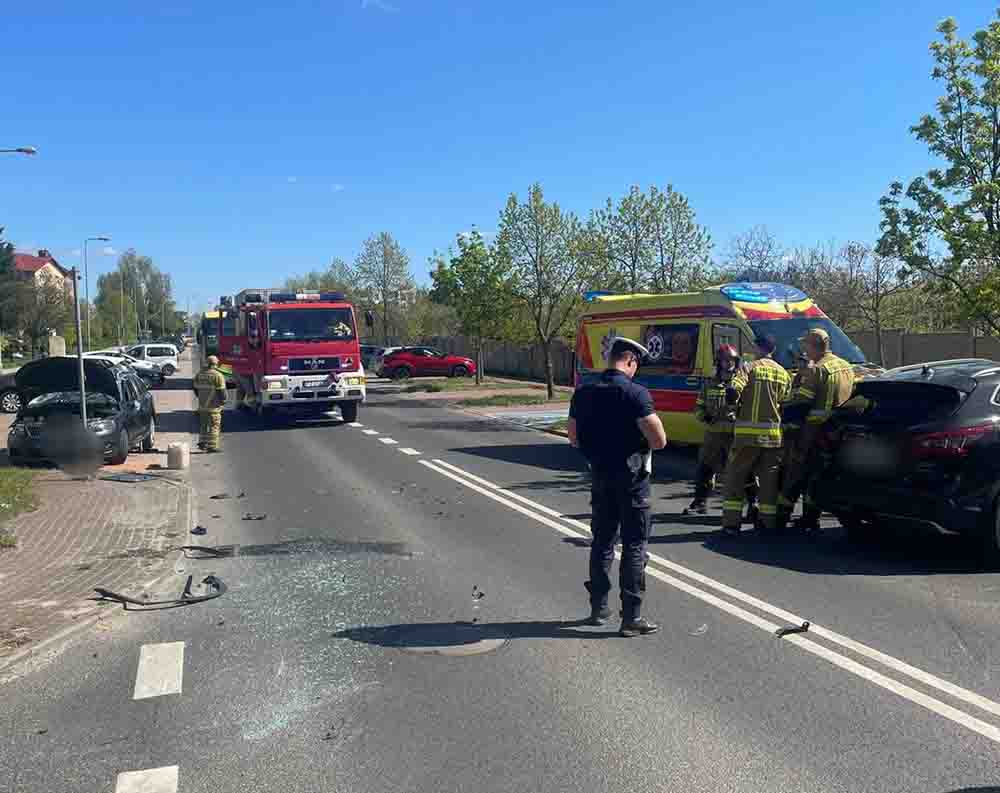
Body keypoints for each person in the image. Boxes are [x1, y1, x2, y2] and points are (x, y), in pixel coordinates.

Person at [568, 338, 667, 638]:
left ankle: (598, 608)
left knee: (602, 542)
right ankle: (631, 617)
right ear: (631, 361)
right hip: (632, 480)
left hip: (600, 476)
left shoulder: (583, 392)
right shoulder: (635, 393)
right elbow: (659, 440)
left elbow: (573, 437)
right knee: (635, 545)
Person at [778, 328, 856, 532]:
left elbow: (802, 402)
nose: (804, 349)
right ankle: (810, 518)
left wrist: (785, 410)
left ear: (813, 346)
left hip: (813, 432)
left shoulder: (817, 370)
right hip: (838, 431)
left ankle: (780, 517)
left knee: (796, 474)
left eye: (805, 345)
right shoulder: (846, 366)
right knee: (818, 476)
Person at [720, 335, 791, 537]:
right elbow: (786, 403)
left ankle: (731, 525)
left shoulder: (749, 367)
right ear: (773, 350)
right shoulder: (783, 373)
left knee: (735, 479)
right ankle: (767, 524)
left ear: (758, 348)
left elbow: (734, 390)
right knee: (769, 483)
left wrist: (732, 407)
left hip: (747, 437)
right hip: (773, 438)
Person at [684, 345, 757, 518]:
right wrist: (705, 416)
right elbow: (698, 407)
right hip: (714, 434)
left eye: (732, 360)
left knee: (744, 470)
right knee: (705, 468)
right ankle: (699, 503)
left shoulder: (742, 383)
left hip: (735, 435)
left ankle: (753, 505)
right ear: (719, 362)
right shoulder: (710, 384)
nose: (728, 363)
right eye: (725, 360)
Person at [193, 355, 228, 452]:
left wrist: (201, 397)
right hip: (214, 407)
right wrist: (223, 401)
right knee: (214, 426)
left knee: (203, 425)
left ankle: (202, 443)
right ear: (216, 364)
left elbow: (195, 388)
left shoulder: (199, 374)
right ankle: (212, 446)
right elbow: (222, 392)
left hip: (202, 407)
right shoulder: (218, 375)